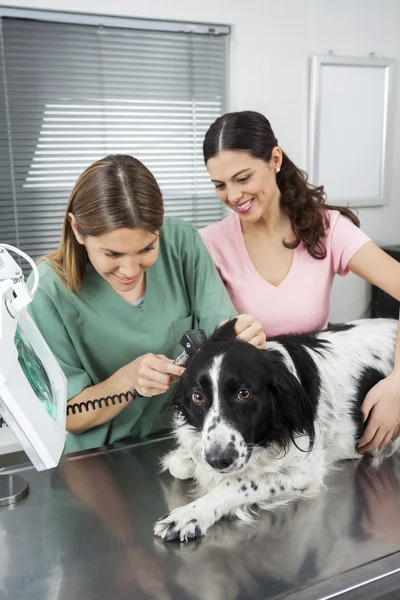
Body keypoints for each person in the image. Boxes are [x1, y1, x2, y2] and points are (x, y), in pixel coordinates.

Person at [27, 154, 265, 454]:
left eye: (147, 248)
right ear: (77, 230)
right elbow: (67, 415)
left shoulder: (182, 242)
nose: (130, 270)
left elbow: (222, 338)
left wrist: (242, 336)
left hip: (191, 442)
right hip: (102, 458)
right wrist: (128, 381)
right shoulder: (47, 291)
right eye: (112, 254)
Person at [200, 110, 400, 453]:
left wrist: (398, 386)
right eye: (220, 185)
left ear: (274, 159)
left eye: (243, 178)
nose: (233, 196)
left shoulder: (327, 228)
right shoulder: (208, 245)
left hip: (317, 415)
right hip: (249, 426)